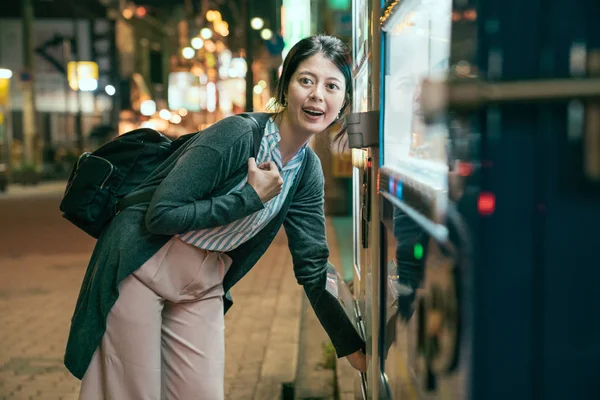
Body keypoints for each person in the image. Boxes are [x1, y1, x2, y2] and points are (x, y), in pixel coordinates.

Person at [64, 35, 366, 399]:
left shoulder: (306, 172)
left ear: (343, 102)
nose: (318, 94)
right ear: (286, 86)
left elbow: (312, 265)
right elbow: (161, 215)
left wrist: (350, 346)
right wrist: (248, 198)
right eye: (306, 80)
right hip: (141, 264)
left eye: (332, 86)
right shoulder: (237, 135)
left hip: (203, 283)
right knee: (134, 391)